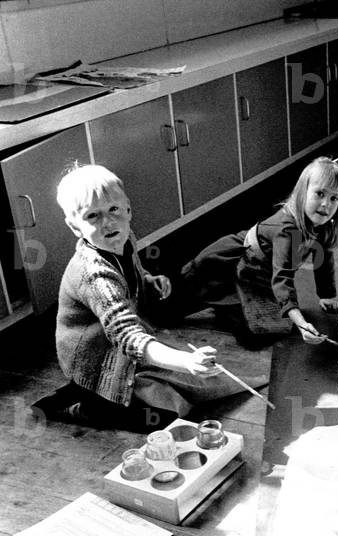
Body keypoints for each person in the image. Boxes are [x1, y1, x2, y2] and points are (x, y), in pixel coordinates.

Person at [39, 164, 264, 429]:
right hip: (97, 361)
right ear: (74, 227)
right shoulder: (94, 275)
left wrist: (147, 279)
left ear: (128, 209)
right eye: (92, 216)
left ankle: (95, 393)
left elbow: (131, 271)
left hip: (119, 350)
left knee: (198, 385)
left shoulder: (123, 238)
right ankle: (80, 404)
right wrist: (185, 362)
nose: (108, 222)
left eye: (114, 210)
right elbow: (126, 335)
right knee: (169, 414)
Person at [179, 155, 338, 342]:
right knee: (169, 312)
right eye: (320, 194)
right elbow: (283, 280)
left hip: (259, 274)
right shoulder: (287, 230)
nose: (326, 204)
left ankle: (235, 303)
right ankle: (230, 306)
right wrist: (302, 324)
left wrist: (326, 295)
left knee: (278, 324)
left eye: (334, 198)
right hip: (224, 266)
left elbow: (323, 259)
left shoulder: (323, 224)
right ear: (302, 192)